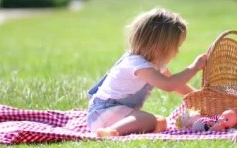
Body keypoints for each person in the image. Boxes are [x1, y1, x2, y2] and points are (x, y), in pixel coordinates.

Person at [86, 8, 207, 137]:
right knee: (149, 120)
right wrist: (194, 67)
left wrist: (199, 97)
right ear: (159, 47)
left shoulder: (154, 64)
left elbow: (176, 84)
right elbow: (169, 85)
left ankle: (122, 129)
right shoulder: (137, 65)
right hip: (103, 112)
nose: (177, 52)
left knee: (160, 121)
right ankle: (111, 132)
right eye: (176, 46)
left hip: (115, 112)